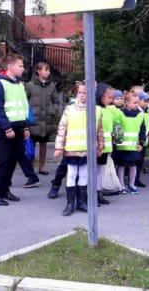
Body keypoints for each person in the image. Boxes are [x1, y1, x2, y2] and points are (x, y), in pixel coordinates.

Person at [0, 54, 36, 206]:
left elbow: (23, 107)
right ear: (10, 67)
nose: (23, 68)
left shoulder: (20, 84)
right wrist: (6, 128)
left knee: (13, 160)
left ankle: (4, 189)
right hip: (4, 127)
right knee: (4, 159)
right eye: (20, 66)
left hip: (19, 127)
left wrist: (25, 126)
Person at [53, 82, 104, 216]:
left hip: (87, 150)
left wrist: (100, 146)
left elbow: (99, 130)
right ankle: (70, 203)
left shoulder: (96, 110)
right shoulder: (70, 109)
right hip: (72, 149)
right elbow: (62, 128)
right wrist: (59, 147)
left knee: (83, 175)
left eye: (85, 93)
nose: (82, 96)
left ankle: (82, 201)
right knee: (71, 175)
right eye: (80, 93)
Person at [25, 62, 59, 175]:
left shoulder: (51, 86)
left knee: (43, 144)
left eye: (49, 70)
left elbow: (56, 101)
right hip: (33, 120)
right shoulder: (30, 85)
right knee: (32, 145)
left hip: (46, 120)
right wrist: (27, 115)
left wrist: (52, 111)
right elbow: (24, 101)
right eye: (46, 70)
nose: (48, 72)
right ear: (38, 71)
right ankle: (30, 167)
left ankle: (42, 167)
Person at [48, 83, 79, 199]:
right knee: (65, 165)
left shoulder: (91, 106)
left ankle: (78, 192)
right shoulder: (72, 106)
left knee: (80, 168)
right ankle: (56, 184)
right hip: (71, 141)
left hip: (82, 142)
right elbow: (64, 125)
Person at [114, 91, 146, 194]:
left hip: (134, 146)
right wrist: (116, 142)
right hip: (121, 146)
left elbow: (142, 130)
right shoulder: (120, 113)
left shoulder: (140, 115)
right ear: (126, 102)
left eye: (137, 102)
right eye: (134, 103)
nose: (137, 105)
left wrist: (141, 143)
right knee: (121, 165)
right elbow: (117, 127)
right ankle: (121, 185)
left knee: (133, 165)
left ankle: (132, 185)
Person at [95, 82, 115, 205]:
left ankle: (98, 192)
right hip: (97, 146)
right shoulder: (95, 109)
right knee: (92, 170)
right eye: (109, 97)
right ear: (101, 95)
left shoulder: (108, 110)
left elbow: (109, 130)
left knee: (100, 170)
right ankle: (90, 193)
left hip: (105, 147)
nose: (111, 100)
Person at [134, 91, 149, 187]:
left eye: (147, 101)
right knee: (136, 161)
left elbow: (147, 124)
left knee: (140, 161)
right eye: (144, 101)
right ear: (139, 100)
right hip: (138, 140)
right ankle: (134, 179)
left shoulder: (146, 111)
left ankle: (137, 178)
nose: (146, 103)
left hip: (145, 139)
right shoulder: (137, 111)